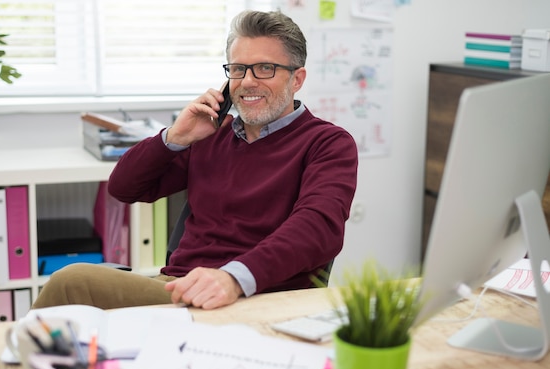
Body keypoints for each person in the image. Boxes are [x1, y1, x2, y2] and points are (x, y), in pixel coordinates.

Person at [32, 10, 358, 310]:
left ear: (296, 79)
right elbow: (124, 188)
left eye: (265, 69)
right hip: (181, 289)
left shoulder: (327, 144)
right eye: (238, 69)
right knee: (73, 310)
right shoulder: (212, 134)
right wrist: (174, 137)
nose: (246, 82)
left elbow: (318, 230)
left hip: (255, 297)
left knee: (71, 283)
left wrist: (233, 278)